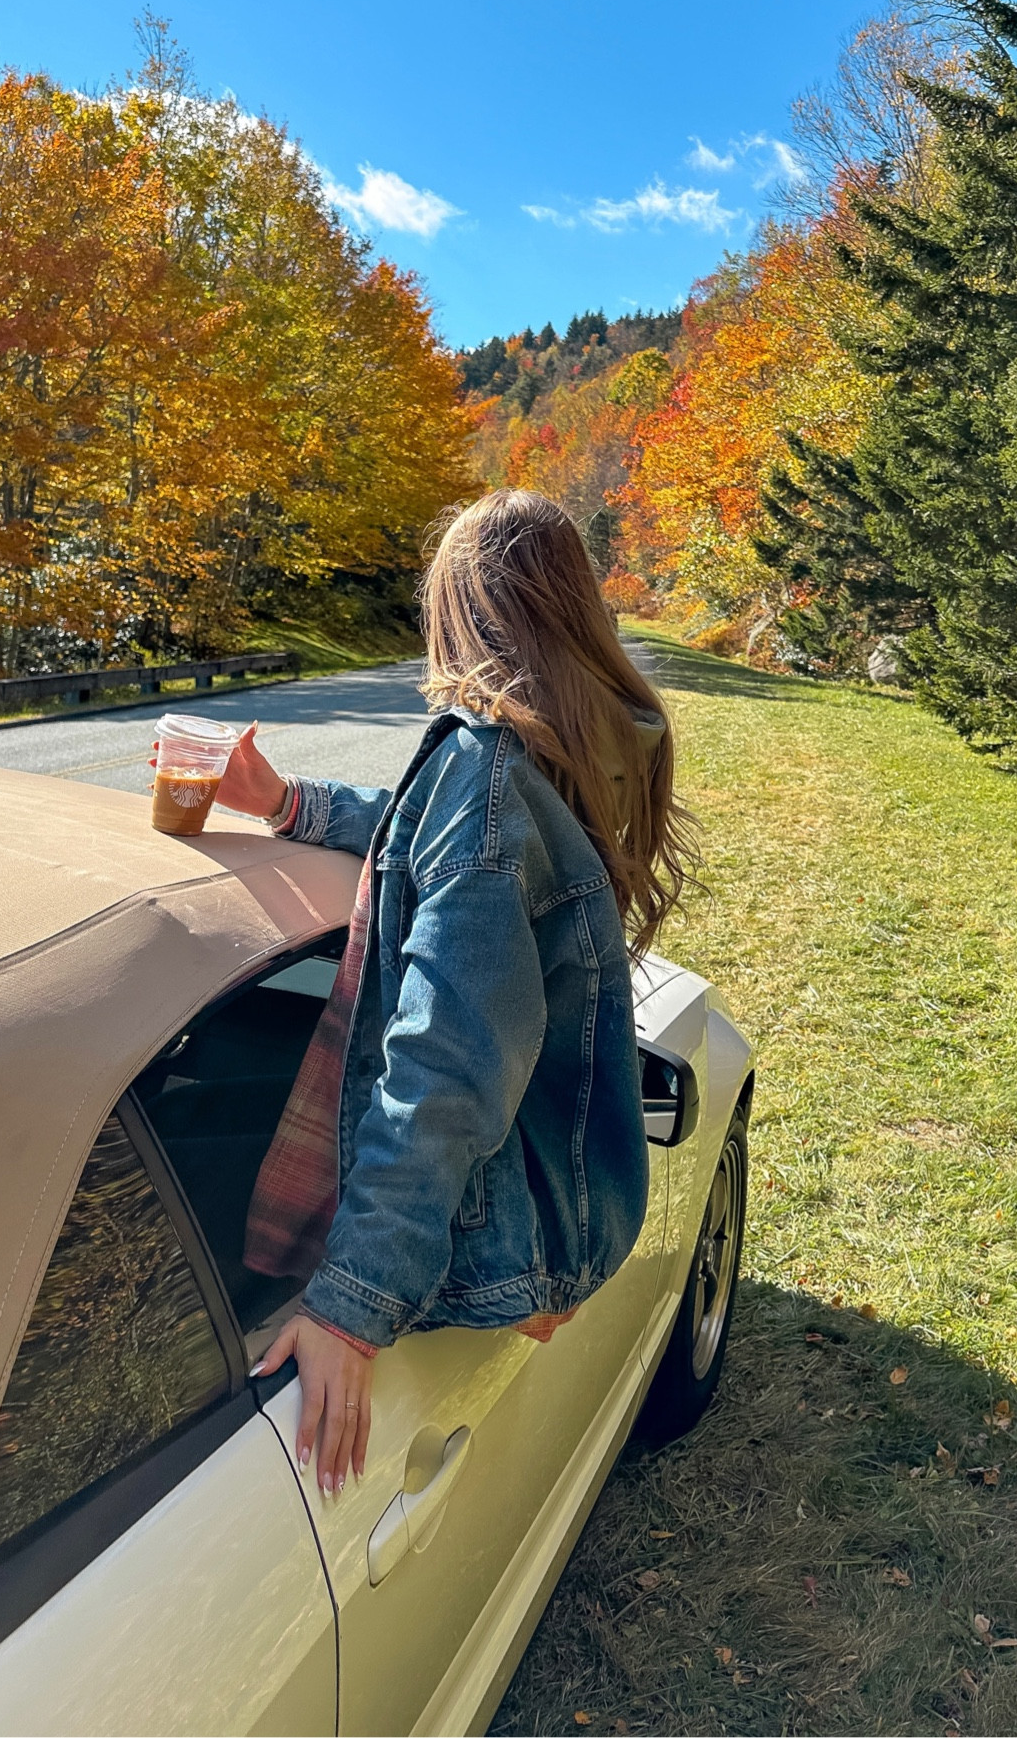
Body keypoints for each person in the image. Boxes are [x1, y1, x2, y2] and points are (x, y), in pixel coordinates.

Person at [226, 490, 693, 1495]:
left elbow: (447, 1059)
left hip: (496, 1231)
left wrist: (354, 1299)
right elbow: (423, 835)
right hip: (552, 1199)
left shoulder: (486, 768)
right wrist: (289, 803)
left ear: (461, 612)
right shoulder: (572, 749)